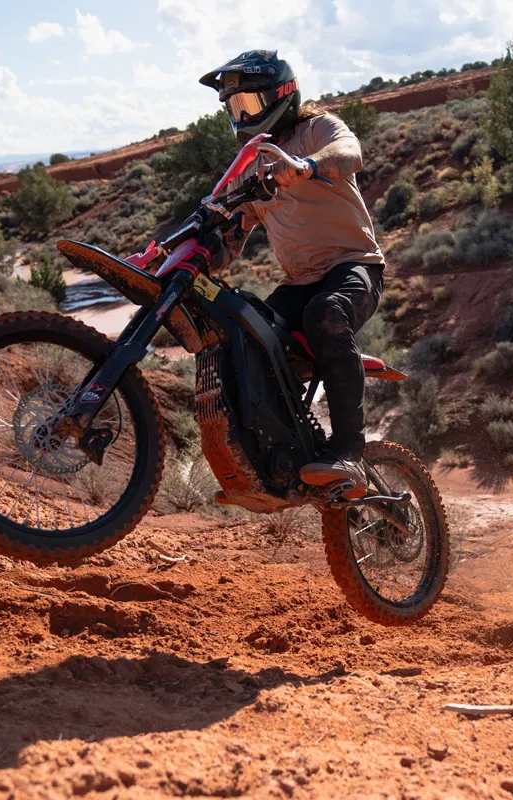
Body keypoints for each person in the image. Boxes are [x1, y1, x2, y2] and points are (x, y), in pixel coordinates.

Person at [199, 50, 383, 495]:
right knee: (243, 330)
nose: (242, 115)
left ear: (281, 94)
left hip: (354, 267)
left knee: (326, 314)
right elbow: (231, 243)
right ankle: (266, 458)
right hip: (297, 283)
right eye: (235, 108)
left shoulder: (315, 130)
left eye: (249, 104)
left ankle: (349, 454)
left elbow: (349, 152)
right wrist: (204, 248)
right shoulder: (254, 166)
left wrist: (307, 166)